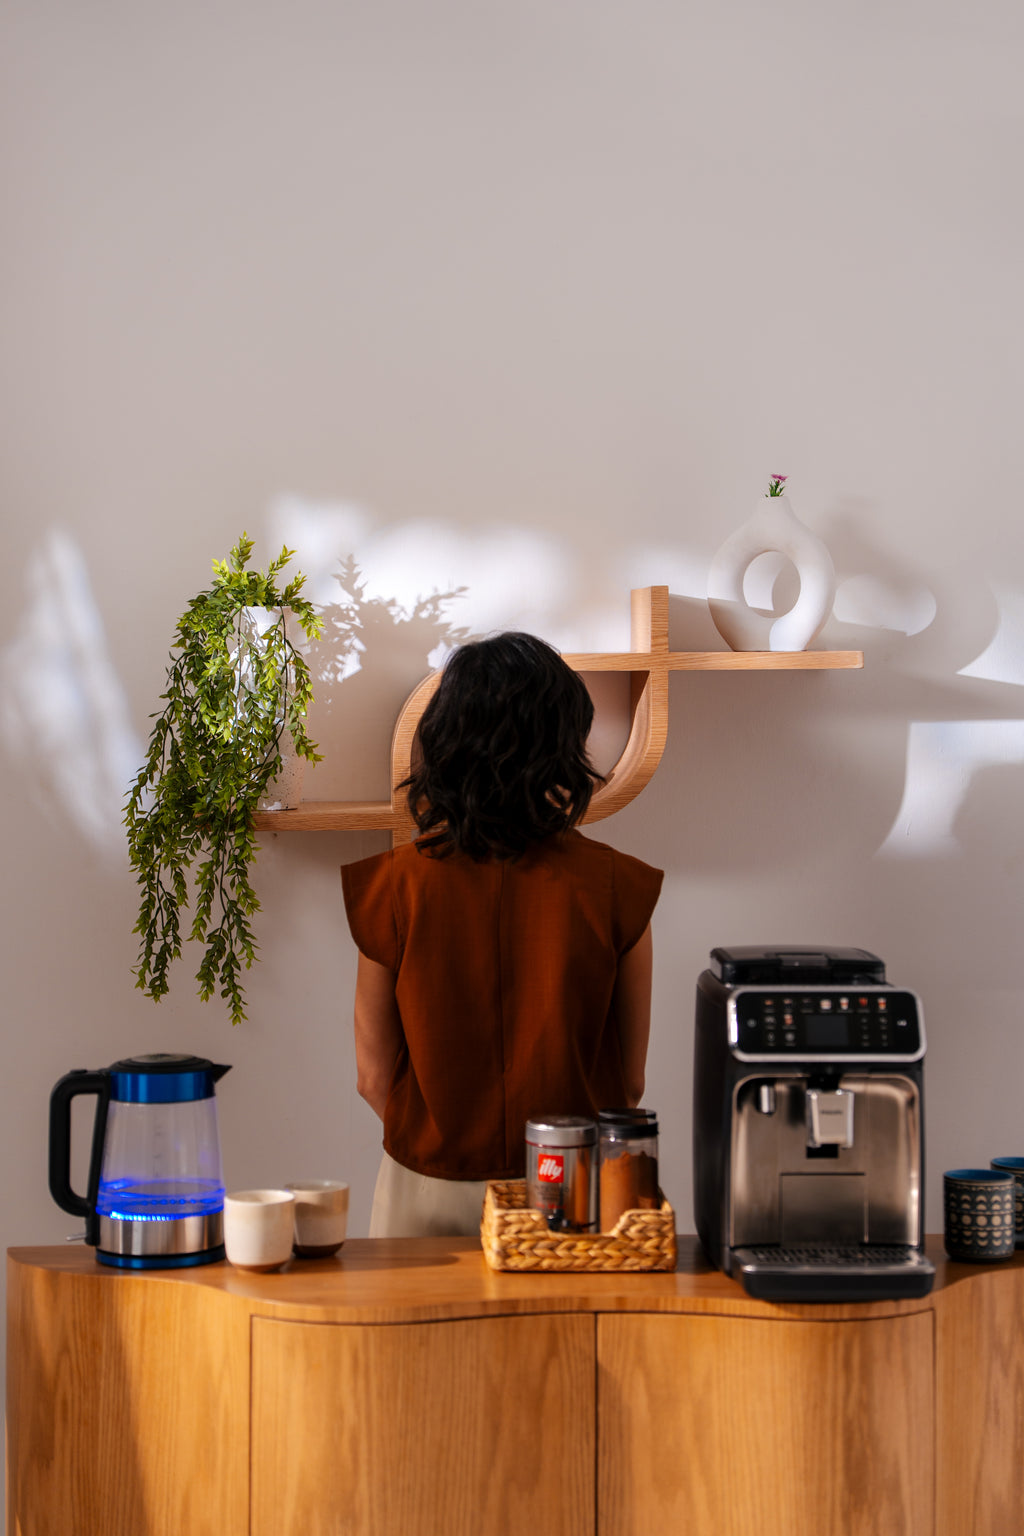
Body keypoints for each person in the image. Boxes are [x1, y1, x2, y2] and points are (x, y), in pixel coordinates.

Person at [341, 631, 663, 1237]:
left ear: (444, 739)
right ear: (564, 743)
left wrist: (443, 1149)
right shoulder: (620, 886)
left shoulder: (392, 886)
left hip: (425, 1184)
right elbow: (628, 1078)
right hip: (571, 1183)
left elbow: (372, 1075)